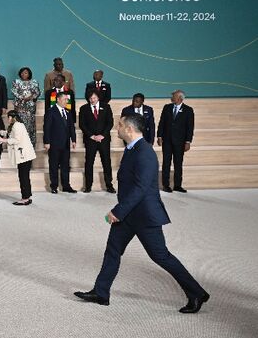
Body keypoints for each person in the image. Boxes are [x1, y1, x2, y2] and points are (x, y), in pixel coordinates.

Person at [74, 114, 209, 313]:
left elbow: (141, 188)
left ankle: (196, 292)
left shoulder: (144, 152)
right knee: (113, 250)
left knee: (161, 256)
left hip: (145, 215)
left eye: (119, 125)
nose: (116, 128)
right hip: (129, 214)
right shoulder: (131, 148)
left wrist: (117, 211)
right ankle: (101, 293)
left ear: (129, 129)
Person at [0, 111, 36, 206]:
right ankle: (27, 196)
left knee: (23, 177)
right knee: (24, 177)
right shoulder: (15, 125)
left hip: (24, 156)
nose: (8, 119)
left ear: (11, 117)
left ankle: (25, 198)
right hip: (23, 156)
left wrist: (3, 140)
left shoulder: (18, 125)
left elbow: (17, 140)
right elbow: (6, 133)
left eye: (8, 117)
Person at [157, 90, 194, 193]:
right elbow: (162, 122)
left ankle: (177, 185)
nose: (171, 97)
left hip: (180, 142)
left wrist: (188, 141)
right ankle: (166, 185)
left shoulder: (188, 110)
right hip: (167, 141)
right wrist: (159, 136)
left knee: (178, 163)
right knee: (166, 163)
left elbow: (190, 127)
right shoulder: (167, 107)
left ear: (179, 98)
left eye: (173, 96)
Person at [79, 92, 115, 193]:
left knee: (106, 162)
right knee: (89, 163)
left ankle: (109, 185)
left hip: (104, 140)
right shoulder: (84, 108)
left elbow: (110, 123)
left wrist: (102, 135)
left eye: (94, 97)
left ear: (98, 97)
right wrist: (92, 136)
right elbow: (82, 125)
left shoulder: (106, 107)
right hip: (90, 140)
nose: (92, 100)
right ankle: (88, 186)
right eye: (90, 98)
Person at [43, 91, 77, 194]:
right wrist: (47, 142)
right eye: (65, 99)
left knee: (65, 165)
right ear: (58, 99)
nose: (66, 101)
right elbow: (47, 128)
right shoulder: (50, 111)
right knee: (53, 165)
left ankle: (66, 185)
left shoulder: (68, 112)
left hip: (66, 144)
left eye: (67, 99)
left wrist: (74, 139)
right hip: (54, 144)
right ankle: (54, 186)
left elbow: (71, 127)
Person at [11, 66, 41, 147]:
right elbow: (14, 91)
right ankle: (20, 144)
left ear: (29, 74)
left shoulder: (34, 82)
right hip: (20, 108)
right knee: (20, 126)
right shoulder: (16, 81)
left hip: (30, 109)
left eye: (26, 73)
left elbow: (37, 92)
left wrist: (31, 97)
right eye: (22, 73)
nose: (24, 74)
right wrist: (23, 98)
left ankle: (31, 145)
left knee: (31, 126)